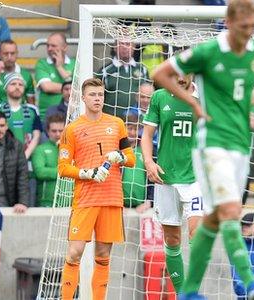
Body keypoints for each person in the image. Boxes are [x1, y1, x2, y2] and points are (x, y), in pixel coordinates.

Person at [151, 0, 254, 298]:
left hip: (239, 146)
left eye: (253, 27)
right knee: (232, 212)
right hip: (211, 145)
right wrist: (194, 103)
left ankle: (190, 291)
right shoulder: (208, 52)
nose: (249, 33)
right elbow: (160, 73)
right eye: (244, 27)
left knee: (213, 218)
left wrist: (250, 102)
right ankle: (251, 282)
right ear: (229, 21)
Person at [58, 78, 136, 300]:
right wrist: (87, 173)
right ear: (83, 98)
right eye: (92, 95)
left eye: (100, 95)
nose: (97, 99)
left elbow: (131, 159)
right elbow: (63, 168)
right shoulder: (72, 130)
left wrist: (119, 156)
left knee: (103, 256)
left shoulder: (117, 123)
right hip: (85, 199)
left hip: (111, 198)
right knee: (74, 253)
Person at [140, 75, 204, 292]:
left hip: (196, 178)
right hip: (166, 177)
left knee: (197, 233)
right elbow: (147, 135)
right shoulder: (159, 97)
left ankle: (192, 291)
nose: (179, 76)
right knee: (172, 238)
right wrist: (149, 162)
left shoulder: (204, 97)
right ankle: (182, 293)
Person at [0, 73, 41, 159]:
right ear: (6, 88)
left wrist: (25, 156)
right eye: (13, 84)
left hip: (28, 159)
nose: (17, 87)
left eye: (20, 84)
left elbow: (36, 136)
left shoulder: (33, 110)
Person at [100, 39, 150, 119]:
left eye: (128, 44)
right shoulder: (105, 71)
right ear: (115, 47)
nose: (125, 47)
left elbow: (149, 95)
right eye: (121, 44)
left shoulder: (142, 70)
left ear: (134, 47)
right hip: (112, 121)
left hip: (137, 123)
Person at [0, 40, 35, 106]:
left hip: (19, 114)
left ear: (17, 54)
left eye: (12, 53)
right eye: (5, 53)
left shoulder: (26, 75)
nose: (9, 57)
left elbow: (31, 104)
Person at [35, 32, 76, 116]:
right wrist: (71, 88)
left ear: (64, 47)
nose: (49, 48)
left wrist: (59, 67)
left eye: (53, 46)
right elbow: (47, 87)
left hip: (73, 115)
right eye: (48, 46)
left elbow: (79, 89)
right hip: (48, 117)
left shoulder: (75, 63)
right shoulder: (42, 64)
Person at [32, 114, 64, 207]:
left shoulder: (71, 149)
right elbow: (40, 172)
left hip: (68, 201)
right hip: (46, 202)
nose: (58, 134)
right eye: (54, 131)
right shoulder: (40, 149)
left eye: (61, 131)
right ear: (48, 131)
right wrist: (65, 171)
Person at [122, 113, 150, 212]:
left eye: (136, 129)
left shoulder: (145, 150)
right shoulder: (117, 150)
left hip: (142, 206)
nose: (133, 132)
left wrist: (149, 201)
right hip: (121, 204)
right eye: (129, 128)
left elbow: (152, 179)